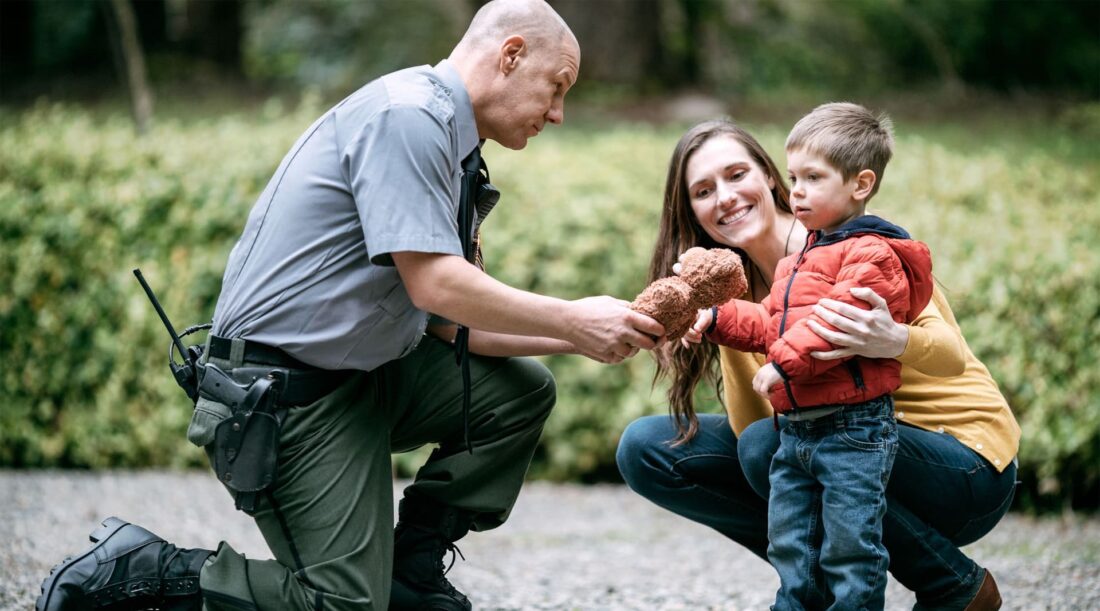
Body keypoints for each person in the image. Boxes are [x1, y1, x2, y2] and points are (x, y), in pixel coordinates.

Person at [35, 2, 664, 610]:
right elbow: (437, 286)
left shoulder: (456, 145)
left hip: (361, 378)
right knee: (341, 603)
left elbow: (451, 323)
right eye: (557, 87)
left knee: (519, 392)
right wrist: (575, 317)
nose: (557, 113)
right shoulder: (409, 116)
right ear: (510, 55)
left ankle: (409, 575)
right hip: (280, 395)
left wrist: (593, 335)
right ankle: (144, 569)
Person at [617, 118, 1019, 610]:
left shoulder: (851, 243)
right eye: (703, 190)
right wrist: (717, 321)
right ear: (693, 211)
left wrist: (893, 338)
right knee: (649, 448)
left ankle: (952, 585)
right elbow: (752, 432)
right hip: (833, 445)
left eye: (736, 174)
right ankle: (818, 582)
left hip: (961, 464)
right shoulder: (735, 286)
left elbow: (952, 357)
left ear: (769, 176)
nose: (723, 197)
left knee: (777, 443)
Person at [682, 103, 933, 610]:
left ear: (860, 185)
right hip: (800, 428)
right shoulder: (801, 260)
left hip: (854, 430)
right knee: (792, 546)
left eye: (812, 178)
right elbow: (769, 321)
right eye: (793, 176)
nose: (795, 190)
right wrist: (715, 318)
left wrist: (782, 365)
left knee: (850, 548)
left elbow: (832, 324)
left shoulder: (871, 254)